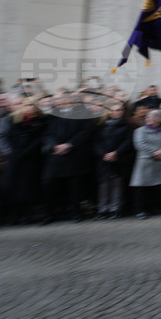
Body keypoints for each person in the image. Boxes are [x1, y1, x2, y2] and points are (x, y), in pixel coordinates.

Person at [41, 92, 97, 223]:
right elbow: (46, 134)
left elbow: (86, 131)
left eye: (59, 98)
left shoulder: (82, 112)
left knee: (75, 186)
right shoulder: (51, 114)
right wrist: (54, 145)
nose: (56, 101)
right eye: (55, 99)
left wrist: (70, 144)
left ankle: (75, 213)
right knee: (49, 184)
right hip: (55, 154)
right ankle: (48, 214)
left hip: (74, 153)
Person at [130, 110, 161, 219]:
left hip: (160, 161)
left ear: (159, 119)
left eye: (153, 117)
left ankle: (154, 208)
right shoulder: (140, 131)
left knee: (157, 187)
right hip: (146, 162)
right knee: (142, 188)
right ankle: (140, 210)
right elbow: (140, 144)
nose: (149, 119)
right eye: (148, 117)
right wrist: (155, 152)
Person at [93, 102, 133, 220]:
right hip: (103, 159)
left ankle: (115, 209)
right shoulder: (101, 126)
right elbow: (96, 142)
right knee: (104, 185)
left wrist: (117, 153)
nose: (117, 112)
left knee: (117, 184)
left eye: (119, 110)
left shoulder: (126, 126)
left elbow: (128, 141)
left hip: (119, 158)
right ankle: (102, 209)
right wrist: (104, 154)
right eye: (114, 110)